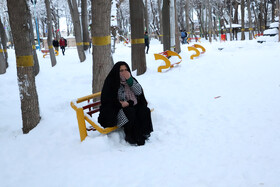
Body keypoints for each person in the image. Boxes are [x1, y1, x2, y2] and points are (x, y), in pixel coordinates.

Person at [98, 61, 153, 146]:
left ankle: (145, 132)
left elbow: (139, 92)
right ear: (116, 71)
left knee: (144, 110)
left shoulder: (131, 79)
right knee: (130, 112)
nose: (124, 72)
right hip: (117, 110)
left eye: (126, 70)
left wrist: (130, 80)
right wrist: (120, 104)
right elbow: (107, 99)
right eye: (121, 70)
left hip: (132, 105)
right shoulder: (112, 82)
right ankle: (132, 137)